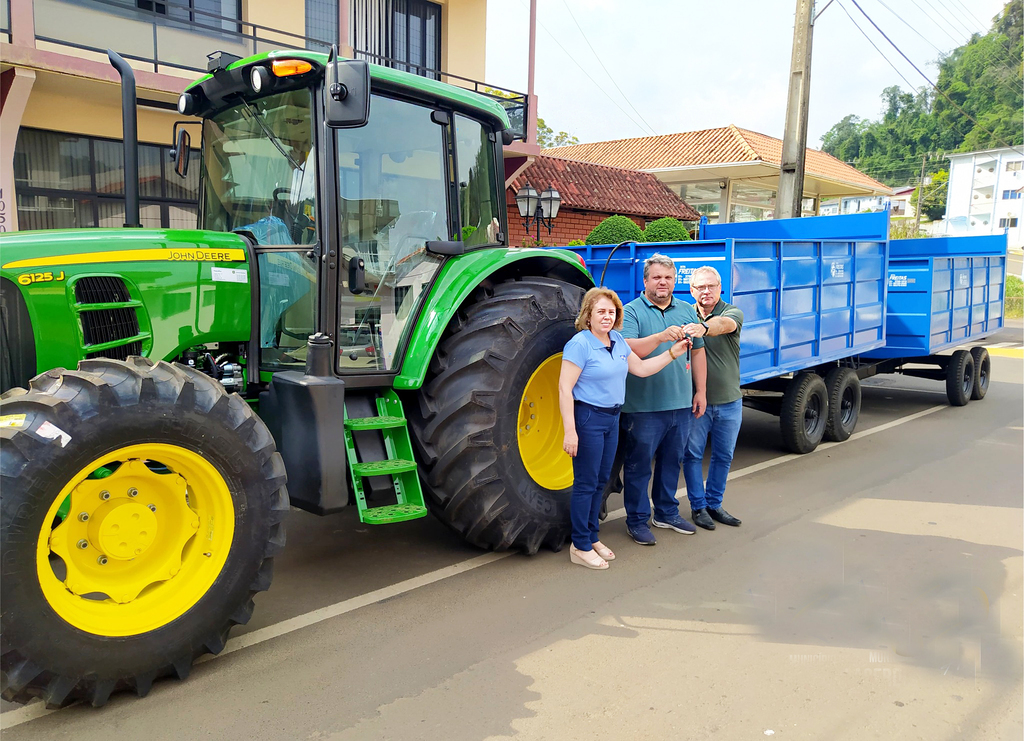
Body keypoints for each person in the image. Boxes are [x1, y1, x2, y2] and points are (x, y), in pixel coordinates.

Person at [559, 287, 691, 570]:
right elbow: (564, 388)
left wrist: (672, 353)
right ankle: (580, 545)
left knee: (600, 481)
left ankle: (592, 537)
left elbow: (641, 369)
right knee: (585, 483)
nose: (606, 317)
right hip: (588, 418)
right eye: (600, 312)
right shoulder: (579, 344)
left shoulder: (617, 340)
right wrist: (570, 431)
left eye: (611, 312)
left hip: (611, 419)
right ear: (588, 315)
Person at [620, 254, 708, 546]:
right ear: (645, 281)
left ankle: (667, 512)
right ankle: (636, 520)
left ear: (674, 281)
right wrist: (660, 336)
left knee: (673, 461)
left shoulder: (686, 309)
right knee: (639, 466)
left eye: (668, 278)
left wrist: (700, 391)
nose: (663, 283)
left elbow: (697, 352)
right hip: (643, 407)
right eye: (657, 277)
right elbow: (631, 350)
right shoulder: (631, 312)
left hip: (680, 403)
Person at [681, 266, 744, 530]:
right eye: (700, 287)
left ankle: (714, 504)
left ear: (720, 288)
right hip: (698, 402)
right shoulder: (684, 313)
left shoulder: (732, 312)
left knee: (723, 456)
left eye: (711, 286)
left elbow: (724, 325)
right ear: (692, 290)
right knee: (692, 455)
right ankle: (698, 508)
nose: (706, 291)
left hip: (729, 401)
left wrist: (703, 328)